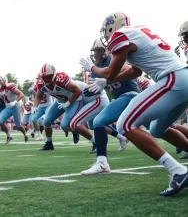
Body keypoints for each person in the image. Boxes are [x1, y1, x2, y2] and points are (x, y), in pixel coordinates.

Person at [80, 12, 188, 196]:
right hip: (181, 78)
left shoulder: (120, 35)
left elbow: (110, 73)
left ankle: (178, 171)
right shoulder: (138, 31)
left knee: (125, 124)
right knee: (157, 129)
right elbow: (136, 72)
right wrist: (106, 82)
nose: (106, 35)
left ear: (112, 26)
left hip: (172, 79)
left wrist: (92, 68)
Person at [34, 64, 83, 151]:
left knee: (65, 125)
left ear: (53, 74)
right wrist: (35, 106)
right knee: (47, 121)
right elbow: (38, 96)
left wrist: (69, 102)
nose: (46, 79)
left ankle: (93, 141)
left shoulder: (61, 79)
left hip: (73, 100)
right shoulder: (41, 83)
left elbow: (78, 91)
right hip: (60, 101)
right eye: (44, 77)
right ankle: (49, 143)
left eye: (48, 76)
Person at [0, 75, 28, 143]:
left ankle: (25, 135)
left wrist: (15, 101)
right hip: (8, 107)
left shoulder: (10, 87)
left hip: (15, 107)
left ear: (3, 81)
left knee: (18, 125)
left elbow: (21, 94)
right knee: (0, 121)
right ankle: (9, 136)